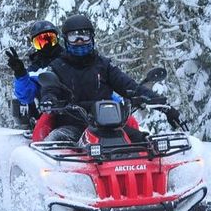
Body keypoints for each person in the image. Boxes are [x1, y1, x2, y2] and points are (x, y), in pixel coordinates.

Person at [37, 14, 181, 142]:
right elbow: (50, 88)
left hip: (107, 127)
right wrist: (49, 99)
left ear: (92, 38)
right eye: (74, 37)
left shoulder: (104, 65)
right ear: (66, 40)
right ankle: (57, 173)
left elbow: (130, 87)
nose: (80, 41)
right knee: (55, 142)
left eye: (84, 35)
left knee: (146, 144)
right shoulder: (57, 67)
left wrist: (164, 105)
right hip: (72, 126)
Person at [5, 20, 64, 125]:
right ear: (34, 45)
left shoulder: (70, 60)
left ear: (57, 38)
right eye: (40, 42)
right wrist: (20, 74)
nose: (46, 45)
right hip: (49, 116)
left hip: (77, 110)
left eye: (50, 39)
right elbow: (26, 96)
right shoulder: (35, 70)